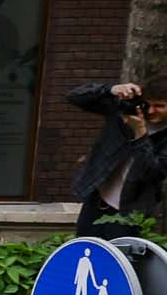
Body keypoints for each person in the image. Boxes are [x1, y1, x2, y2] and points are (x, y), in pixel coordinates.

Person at [68, 81, 167, 236]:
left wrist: (140, 132)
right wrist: (111, 89)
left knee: (120, 258)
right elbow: (74, 96)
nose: (151, 111)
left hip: (132, 210)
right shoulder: (124, 110)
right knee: (85, 251)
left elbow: (152, 172)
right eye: (148, 105)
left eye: (160, 106)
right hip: (97, 199)